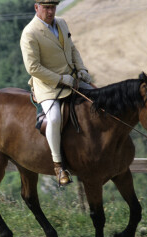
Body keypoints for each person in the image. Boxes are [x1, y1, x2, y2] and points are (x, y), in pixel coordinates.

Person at [20, 0, 93, 186]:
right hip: (48, 86)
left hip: (72, 79)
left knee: (98, 101)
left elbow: (72, 48)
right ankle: (58, 165)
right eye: (46, 8)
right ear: (36, 7)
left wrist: (81, 69)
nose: (50, 11)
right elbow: (33, 68)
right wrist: (60, 79)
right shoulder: (30, 33)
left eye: (53, 7)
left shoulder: (61, 23)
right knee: (53, 118)